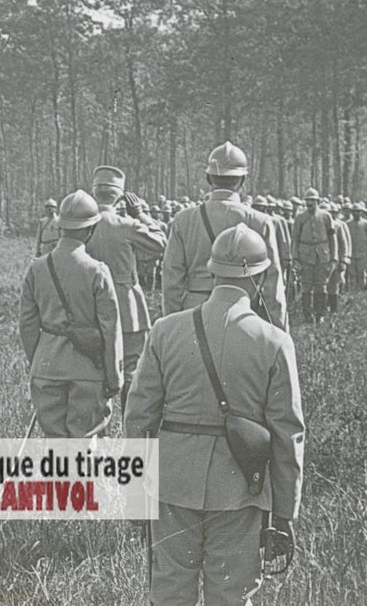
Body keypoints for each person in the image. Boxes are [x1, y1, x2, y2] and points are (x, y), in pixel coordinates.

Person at [126, 225, 304, 606]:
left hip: (173, 484)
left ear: (211, 271)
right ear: (259, 277)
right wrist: (285, 511)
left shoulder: (164, 331)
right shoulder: (274, 341)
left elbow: (138, 418)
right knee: (232, 596)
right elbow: (288, 434)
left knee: (171, 592)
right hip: (242, 488)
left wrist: (135, 494)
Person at [19, 190, 123, 436]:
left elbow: (27, 324)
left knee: (57, 447)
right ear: (91, 230)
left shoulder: (36, 268)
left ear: (60, 227)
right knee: (84, 446)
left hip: (47, 368)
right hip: (88, 370)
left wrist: (40, 362)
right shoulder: (97, 271)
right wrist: (113, 376)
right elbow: (110, 327)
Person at [161, 143, 286, 329]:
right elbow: (272, 284)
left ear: (208, 178)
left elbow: (171, 279)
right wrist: (278, 331)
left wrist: (172, 325)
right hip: (244, 313)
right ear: (243, 180)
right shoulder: (260, 222)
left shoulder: (184, 220)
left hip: (194, 312)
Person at [85, 166, 166, 404]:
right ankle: (131, 426)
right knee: (131, 367)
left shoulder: (82, 225)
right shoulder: (126, 225)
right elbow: (161, 241)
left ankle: (99, 430)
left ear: (94, 192)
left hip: (91, 305)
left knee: (96, 366)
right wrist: (140, 213)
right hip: (127, 306)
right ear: (120, 196)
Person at [291, 190, 335, 324]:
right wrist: (295, 258)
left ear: (318, 202)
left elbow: (332, 239)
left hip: (322, 256)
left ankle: (320, 314)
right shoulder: (300, 218)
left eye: (312, 202)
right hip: (305, 257)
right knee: (306, 286)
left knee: (321, 286)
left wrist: (334, 258)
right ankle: (307, 314)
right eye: (307, 202)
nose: (310, 205)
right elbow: (295, 239)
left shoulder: (326, 216)